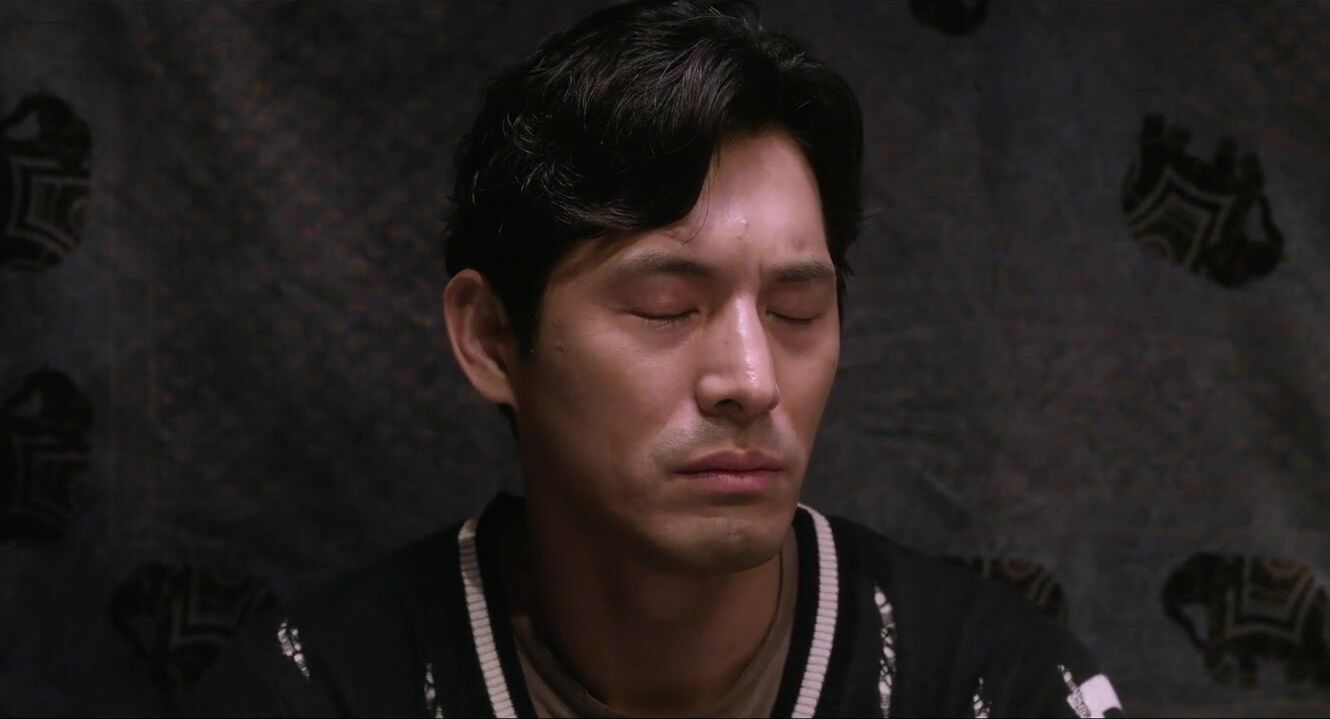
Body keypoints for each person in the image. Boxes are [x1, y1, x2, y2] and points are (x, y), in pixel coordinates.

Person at [185, 1, 1124, 716]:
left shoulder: (995, 687)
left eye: (795, 310)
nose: (751, 380)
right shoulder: (316, 688)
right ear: (492, 338)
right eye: (667, 308)